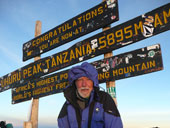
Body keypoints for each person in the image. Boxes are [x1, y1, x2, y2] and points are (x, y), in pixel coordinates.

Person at [57, 62, 123, 128]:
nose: (84, 84)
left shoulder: (104, 99)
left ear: (94, 82)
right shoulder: (68, 105)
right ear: (75, 83)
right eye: (80, 80)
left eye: (88, 79)